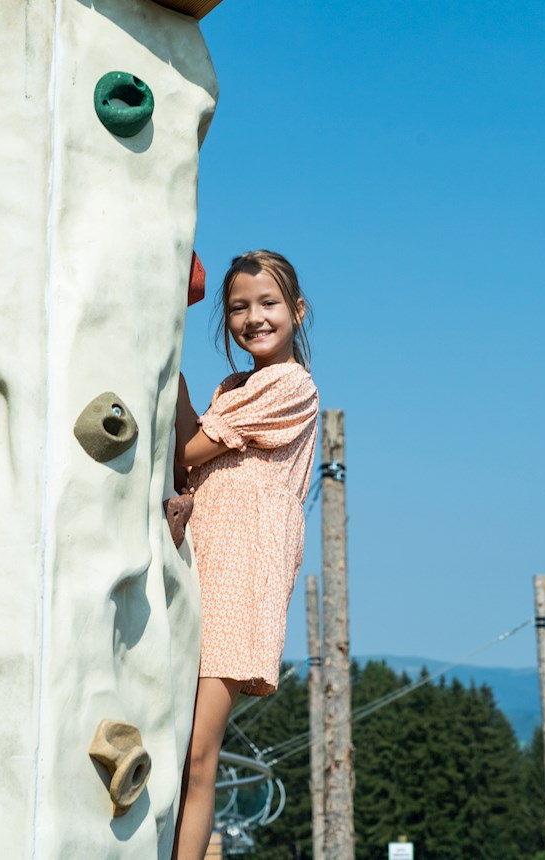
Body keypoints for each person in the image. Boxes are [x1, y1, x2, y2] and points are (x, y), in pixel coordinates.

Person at [172, 250, 318, 860]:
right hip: (204, 571)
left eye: (268, 304)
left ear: (297, 312)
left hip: (239, 586)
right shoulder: (236, 387)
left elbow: (189, 449)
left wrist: (166, 376)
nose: (253, 317)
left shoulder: (290, 385)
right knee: (182, 748)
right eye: (238, 307)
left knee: (198, 756)